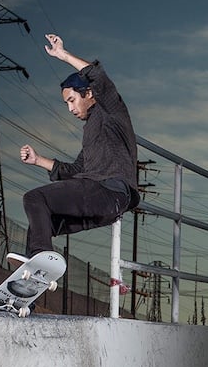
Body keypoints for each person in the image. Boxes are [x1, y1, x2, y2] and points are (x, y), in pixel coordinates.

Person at [18, 34, 139, 260]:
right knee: (40, 224)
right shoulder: (92, 130)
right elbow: (76, 170)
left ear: (89, 94)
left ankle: (42, 262)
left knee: (35, 198)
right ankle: (29, 285)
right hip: (102, 203)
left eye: (72, 101)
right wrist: (38, 160)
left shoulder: (111, 111)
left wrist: (63, 55)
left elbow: (98, 77)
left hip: (110, 191)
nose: (70, 109)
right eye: (66, 104)